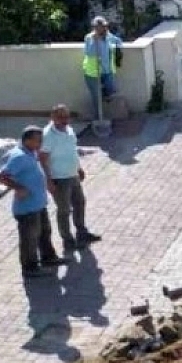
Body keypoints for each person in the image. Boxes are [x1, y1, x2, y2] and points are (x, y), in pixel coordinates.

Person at [0, 126, 63, 278]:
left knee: (45, 232)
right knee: (29, 239)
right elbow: (1, 176)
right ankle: (30, 268)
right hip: (27, 208)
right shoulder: (19, 156)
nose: (41, 143)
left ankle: (49, 258)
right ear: (27, 140)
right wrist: (19, 188)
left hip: (39, 204)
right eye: (38, 140)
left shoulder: (30, 152)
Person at [40, 104, 101, 252]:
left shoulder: (69, 130)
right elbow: (42, 159)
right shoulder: (48, 135)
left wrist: (78, 168)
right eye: (60, 117)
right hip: (59, 178)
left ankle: (82, 232)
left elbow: (72, 151)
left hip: (72, 175)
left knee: (80, 203)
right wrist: (48, 181)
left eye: (66, 116)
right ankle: (67, 239)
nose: (65, 120)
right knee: (64, 210)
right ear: (53, 118)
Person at [82, 17, 123, 121]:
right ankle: (99, 118)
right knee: (96, 97)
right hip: (92, 73)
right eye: (101, 27)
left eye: (105, 26)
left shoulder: (108, 36)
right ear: (95, 28)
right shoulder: (89, 38)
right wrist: (95, 41)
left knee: (111, 89)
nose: (104, 28)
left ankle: (104, 93)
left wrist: (118, 49)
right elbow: (89, 53)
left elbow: (118, 41)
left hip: (106, 70)